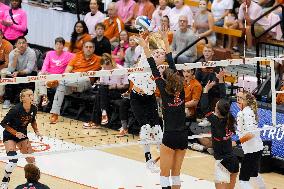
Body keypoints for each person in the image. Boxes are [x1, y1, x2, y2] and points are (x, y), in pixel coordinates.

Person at [136, 29, 187, 189]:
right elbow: (171, 61)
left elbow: (152, 63)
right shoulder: (182, 88)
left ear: (164, 79)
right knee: (176, 174)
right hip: (183, 136)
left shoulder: (164, 90)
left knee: (164, 175)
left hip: (170, 136)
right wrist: (165, 39)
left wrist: (145, 46)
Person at [200, 74, 239, 189]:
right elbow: (225, 99)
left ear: (217, 110)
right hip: (233, 160)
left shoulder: (216, 121)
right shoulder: (228, 117)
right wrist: (221, 80)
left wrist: (206, 90)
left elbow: (204, 107)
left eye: (216, 105)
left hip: (222, 162)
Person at [50, 41, 101, 124]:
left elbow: (112, 65)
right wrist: (71, 82)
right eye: (86, 47)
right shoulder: (77, 56)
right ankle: (55, 114)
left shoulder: (99, 59)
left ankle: (58, 81)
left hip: (85, 83)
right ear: (83, 48)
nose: (88, 49)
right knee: (61, 87)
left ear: (94, 49)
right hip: (71, 82)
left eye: (90, 47)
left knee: (84, 78)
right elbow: (67, 71)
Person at [0, 89, 43, 189]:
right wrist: (15, 133)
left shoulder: (34, 108)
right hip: (10, 135)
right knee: (13, 160)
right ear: (23, 98)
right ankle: (5, 180)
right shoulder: (15, 109)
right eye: (29, 95)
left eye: (32, 94)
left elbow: (33, 120)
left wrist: (36, 130)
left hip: (22, 136)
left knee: (31, 160)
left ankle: (33, 183)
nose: (32, 96)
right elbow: (3, 123)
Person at [83, 53, 129, 128]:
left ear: (111, 63)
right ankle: (103, 114)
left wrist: (115, 86)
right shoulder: (103, 70)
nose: (105, 70)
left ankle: (97, 120)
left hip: (118, 91)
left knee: (99, 94)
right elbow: (102, 83)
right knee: (101, 91)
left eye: (106, 68)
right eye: (103, 68)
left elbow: (126, 85)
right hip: (106, 90)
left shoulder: (121, 69)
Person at [236, 90, 266, 189]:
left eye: (240, 98)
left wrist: (236, 142)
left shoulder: (245, 113)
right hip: (255, 148)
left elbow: (251, 134)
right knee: (254, 175)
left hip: (252, 150)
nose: (238, 100)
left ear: (246, 101)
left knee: (243, 180)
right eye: (237, 97)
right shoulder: (246, 111)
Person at [34, 37, 74, 106]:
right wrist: (43, 71)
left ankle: (36, 103)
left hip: (59, 77)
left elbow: (78, 57)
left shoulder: (68, 55)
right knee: (40, 76)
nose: (58, 46)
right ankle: (44, 97)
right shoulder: (49, 53)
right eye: (57, 44)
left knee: (38, 83)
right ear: (55, 45)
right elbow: (45, 64)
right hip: (49, 74)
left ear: (63, 46)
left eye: (60, 44)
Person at [2, 37, 37, 109]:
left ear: (26, 44)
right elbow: (11, 69)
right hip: (16, 71)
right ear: (15, 45)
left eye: (23, 43)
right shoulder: (12, 53)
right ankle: (7, 100)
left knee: (25, 78)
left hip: (28, 73)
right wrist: (15, 57)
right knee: (8, 76)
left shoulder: (31, 53)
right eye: (19, 43)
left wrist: (19, 72)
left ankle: (17, 102)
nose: (21, 45)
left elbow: (29, 69)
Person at [0, 29, 13, 103]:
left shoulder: (7, 45)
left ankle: (1, 95)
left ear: (1, 36)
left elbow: (7, 63)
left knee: (3, 72)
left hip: (7, 66)